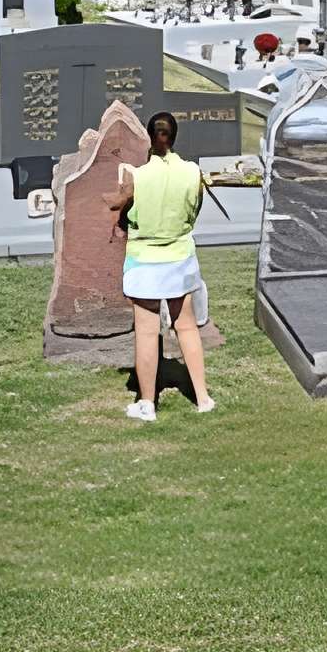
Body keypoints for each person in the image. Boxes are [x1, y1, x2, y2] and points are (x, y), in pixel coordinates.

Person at [101, 111, 215, 422]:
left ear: (149, 138)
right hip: (179, 257)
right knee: (187, 327)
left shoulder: (136, 176)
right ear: (175, 136)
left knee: (147, 333)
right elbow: (194, 212)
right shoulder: (192, 172)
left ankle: (147, 404)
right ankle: (203, 398)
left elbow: (119, 209)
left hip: (144, 262)